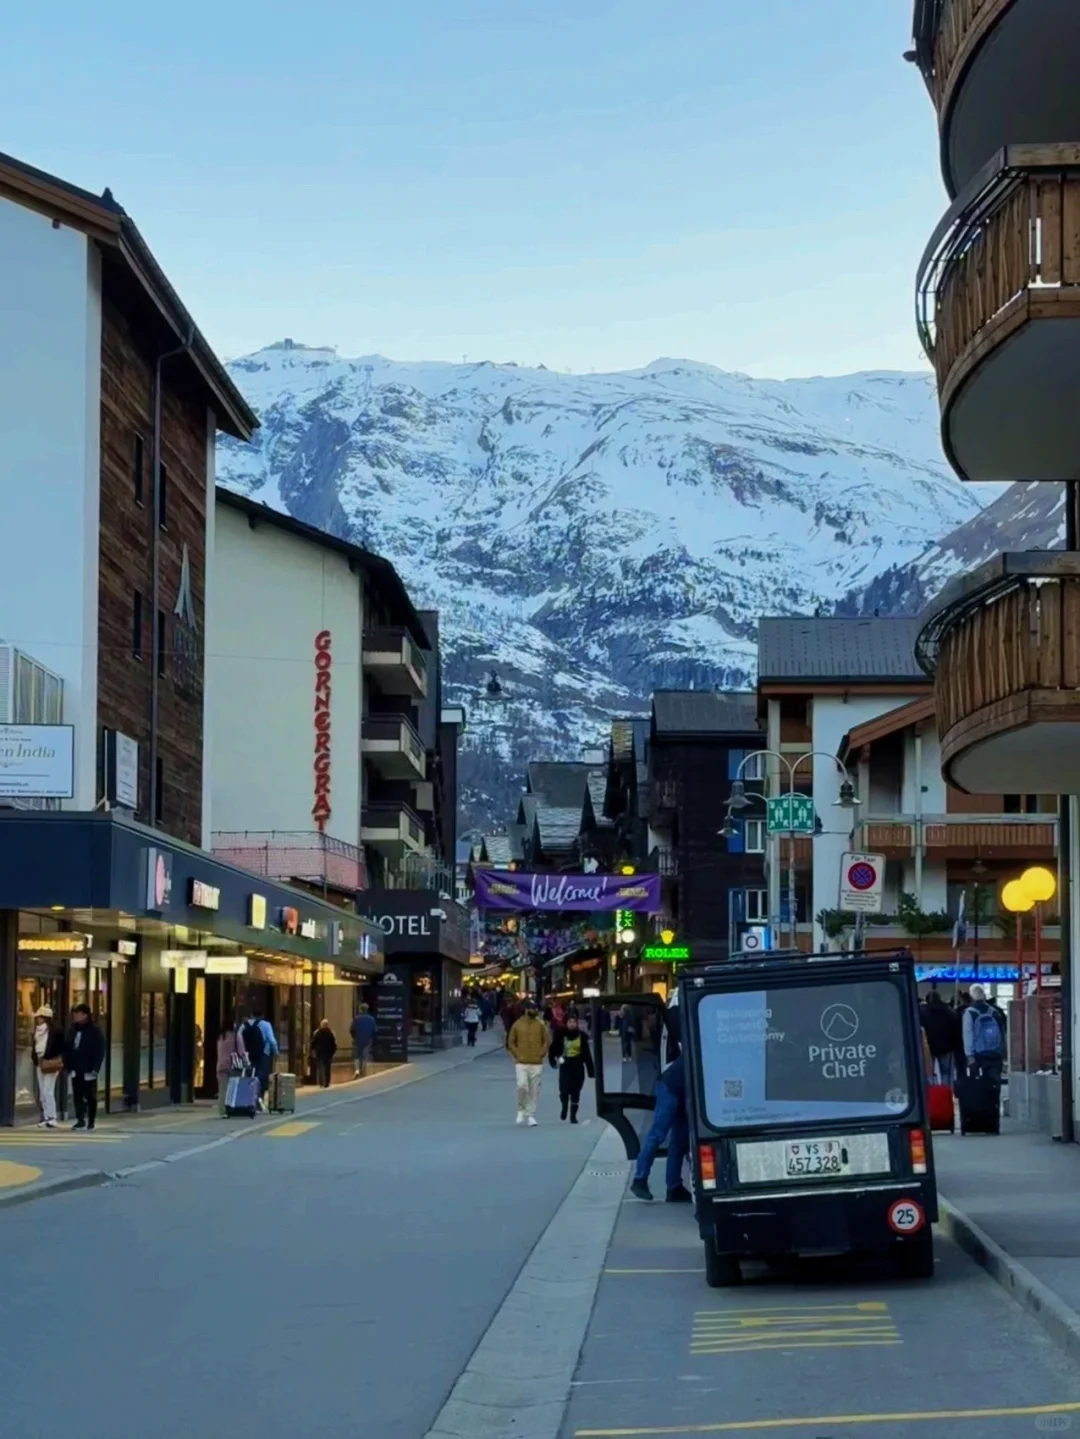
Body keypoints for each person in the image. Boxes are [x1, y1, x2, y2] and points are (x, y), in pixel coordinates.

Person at [630, 1054, 691, 1203]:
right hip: (672, 1088)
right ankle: (640, 1179)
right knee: (658, 1134)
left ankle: (674, 1187)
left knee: (678, 1140)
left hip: (675, 1088)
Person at [507, 1000, 550, 1126]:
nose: (535, 1011)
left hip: (536, 1062)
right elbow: (511, 1042)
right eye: (532, 1009)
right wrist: (517, 1054)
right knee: (522, 1085)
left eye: (536, 1009)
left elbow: (546, 1040)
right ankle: (521, 1109)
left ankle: (531, 1115)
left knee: (534, 1089)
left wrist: (542, 1053)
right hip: (521, 1062)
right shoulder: (517, 1025)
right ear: (526, 1010)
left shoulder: (540, 1024)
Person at [64, 1003, 105, 1132]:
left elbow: (99, 1050)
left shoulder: (94, 1030)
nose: (75, 1016)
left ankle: (91, 1121)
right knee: (77, 1094)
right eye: (74, 1014)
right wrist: (68, 1066)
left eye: (78, 1014)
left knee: (90, 1095)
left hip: (88, 1067)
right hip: (75, 1067)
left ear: (85, 1015)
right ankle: (80, 1119)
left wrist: (95, 1069)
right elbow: (67, 1047)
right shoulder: (72, 1029)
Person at [548, 1012, 595, 1123]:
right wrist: (553, 1061)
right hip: (565, 1064)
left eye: (574, 1022)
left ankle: (573, 1116)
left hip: (578, 1065)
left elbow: (587, 1054)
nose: (572, 1024)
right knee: (564, 1089)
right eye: (570, 1022)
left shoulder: (582, 1036)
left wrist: (591, 1071)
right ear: (566, 1023)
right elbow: (552, 1049)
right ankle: (564, 1107)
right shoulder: (560, 1035)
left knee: (576, 1091)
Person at [963, 983, 1006, 1083]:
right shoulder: (994, 1012)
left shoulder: (969, 1013)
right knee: (994, 1083)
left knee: (979, 1086)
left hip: (978, 1055)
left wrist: (970, 1056)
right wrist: (1002, 1053)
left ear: (971, 996)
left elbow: (968, 1034)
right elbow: (1002, 1033)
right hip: (995, 1053)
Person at [31, 1005, 64, 1129]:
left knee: (47, 1090)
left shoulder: (55, 1031)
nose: (38, 1019)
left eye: (40, 1017)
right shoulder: (37, 1031)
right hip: (39, 1061)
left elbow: (60, 1046)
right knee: (42, 1091)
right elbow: (35, 1047)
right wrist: (35, 1058)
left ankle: (52, 1117)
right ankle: (45, 1117)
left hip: (50, 1061)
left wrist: (51, 1056)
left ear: (45, 1018)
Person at [920, 988, 960, 1086]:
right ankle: (947, 1093)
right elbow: (956, 1029)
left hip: (929, 1047)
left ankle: (931, 1093)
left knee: (929, 1072)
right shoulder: (949, 1012)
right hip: (947, 1047)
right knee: (946, 1073)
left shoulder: (922, 1013)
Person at [240, 1009, 278, 1110]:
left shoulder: (244, 1025)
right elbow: (271, 1040)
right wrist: (276, 1052)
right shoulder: (266, 1025)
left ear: (251, 1015)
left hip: (248, 1055)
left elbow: (239, 1039)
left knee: (248, 1076)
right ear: (262, 1015)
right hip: (263, 1054)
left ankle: (247, 1099)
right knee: (261, 1077)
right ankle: (258, 1098)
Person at [215, 1020, 245, 1118]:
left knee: (223, 1089)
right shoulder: (236, 1036)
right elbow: (241, 1052)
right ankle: (234, 1108)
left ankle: (222, 1110)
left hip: (221, 1065)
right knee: (234, 1089)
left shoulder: (220, 1037)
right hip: (233, 1065)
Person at [310, 1018, 337, 1088]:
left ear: (321, 1025)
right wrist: (333, 1052)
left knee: (320, 1068)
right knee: (327, 1068)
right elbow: (334, 1044)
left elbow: (313, 1043)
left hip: (320, 1053)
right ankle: (327, 1083)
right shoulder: (331, 1033)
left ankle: (322, 1082)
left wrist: (313, 1050)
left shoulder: (317, 1033)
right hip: (328, 1054)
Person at [350, 1004, 377, 1077]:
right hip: (367, 1041)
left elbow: (351, 1030)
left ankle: (357, 1070)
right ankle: (363, 1071)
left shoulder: (356, 1019)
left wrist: (354, 1037)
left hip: (357, 1040)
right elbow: (374, 1031)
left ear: (360, 1010)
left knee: (356, 1056)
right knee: (365, 1057)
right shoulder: (371, 1019)